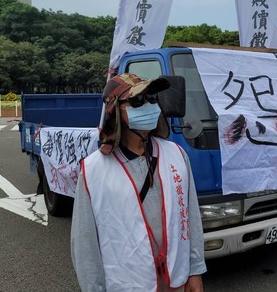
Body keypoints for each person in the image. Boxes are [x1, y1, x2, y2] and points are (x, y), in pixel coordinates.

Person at [71, 73, 206, 292]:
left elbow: (190, 218)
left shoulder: (176, 155)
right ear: (115, 109)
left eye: (152, 99)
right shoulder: (93, 170)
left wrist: (195, 270)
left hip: (175, 278)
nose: (149, 106)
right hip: (128, 284)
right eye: (137, 101)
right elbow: (85, 244)